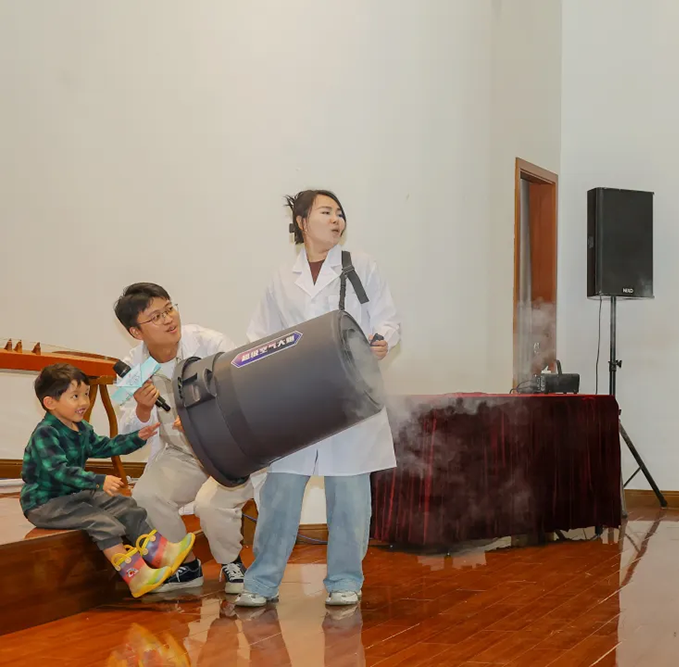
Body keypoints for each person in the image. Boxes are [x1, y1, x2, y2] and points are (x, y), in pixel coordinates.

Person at [235, 189, 400, 608]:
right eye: (326, 212)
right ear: (302, 222)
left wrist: (382, 340)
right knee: (281, 491)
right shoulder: (281, 277)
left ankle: (345, 579)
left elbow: (387, 319)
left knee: (349, 494)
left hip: (350, 394)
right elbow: (260, 335)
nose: (336, 219)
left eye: (340, 213)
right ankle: (261, 582)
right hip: (297, 398)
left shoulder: (361, 266)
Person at [114, 282, 262, 594]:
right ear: (136, 332)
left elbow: (247, 392)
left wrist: (205, 417)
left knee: (209, 504)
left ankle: (231, 562)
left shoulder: (210, 344)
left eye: (169, 309)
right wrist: (143, 408)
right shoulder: (133, 369)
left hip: (230, 451)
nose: (169, 319)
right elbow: (127, 434)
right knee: (147, 496)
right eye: (156, 317)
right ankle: (186, 565)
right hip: (182, 454)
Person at [20, 363, 195, 598]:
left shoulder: (80, 428)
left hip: (72, 493)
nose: (84, 402)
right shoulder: (45, 433)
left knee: (124, 505)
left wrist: (137, 438)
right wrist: (98, 480)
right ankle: (136, 575)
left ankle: (159, 553)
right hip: (44, 503)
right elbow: (59, 471)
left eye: (85, 394)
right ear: (50, 402)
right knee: (99, 520)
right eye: (75, 396)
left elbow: (105, 446)